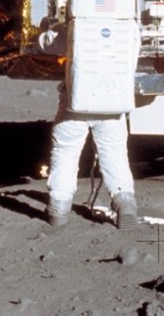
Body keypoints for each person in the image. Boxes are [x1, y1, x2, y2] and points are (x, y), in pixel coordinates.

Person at [45, 82, 139, 230]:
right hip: (111, 103)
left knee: (66, 152)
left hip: (74, 101)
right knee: (114, 152)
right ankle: (125, 203)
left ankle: (59, 207)